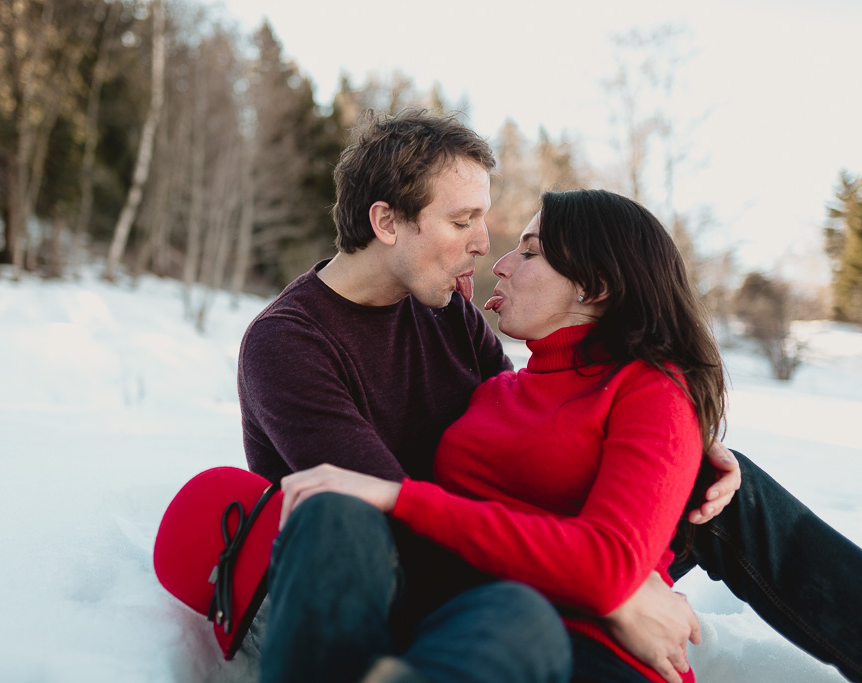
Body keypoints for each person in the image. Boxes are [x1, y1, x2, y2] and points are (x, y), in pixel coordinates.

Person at [237, 109, 862, 683]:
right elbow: (390, 516)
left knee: (723, 485)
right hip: (395, 581)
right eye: (462, 222)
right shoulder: (289, 345)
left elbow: (521, 418)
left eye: (484, 221)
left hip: (495, 554)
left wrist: (678, 444)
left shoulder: (442, 307)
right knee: (472, 585)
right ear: (386, 222)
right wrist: (612, 593)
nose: (485, 246)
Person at [278, 188, 723, 682]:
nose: (501, 262)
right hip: (462, 622)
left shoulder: (650, 387)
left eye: (530, 252)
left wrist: (400, 497)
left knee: (519, 615)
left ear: (594, 285)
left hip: (592, 653)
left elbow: (606, 565)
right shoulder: (494, 390)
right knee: (336, 510)